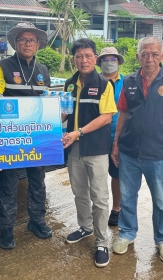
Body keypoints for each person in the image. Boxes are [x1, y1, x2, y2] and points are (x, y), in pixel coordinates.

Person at [111, 37, 163, 263]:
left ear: (162, 56)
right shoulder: (129, 81)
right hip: (129, 152)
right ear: (138, 57)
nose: (150, 59)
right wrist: (116, 142)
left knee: (162, 200)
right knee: (127, 197)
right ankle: (126, 233)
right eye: (145, 54)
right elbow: (123, 113)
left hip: (160, 155)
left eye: (155, 54)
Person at [0, 22, 52, 249]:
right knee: (9, 183)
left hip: (37, 138)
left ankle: (37, 220)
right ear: (15, 43)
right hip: (11, 137)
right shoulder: (1, 67)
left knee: (38, 181)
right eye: (23, 39)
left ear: (37, 45)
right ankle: (5, 228)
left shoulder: (43, 70)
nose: (27, 43)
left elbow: (47, 105)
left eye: (32, 40)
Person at [62, 38, 117, 268]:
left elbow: (106, 116)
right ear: (73, 59)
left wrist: (79, 132)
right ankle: (85, 227)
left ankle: (102, 240)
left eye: (87, 56)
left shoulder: (104, 85)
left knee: (100, 197)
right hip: (73, 148)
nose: (83, 60)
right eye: (78, 56)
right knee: (79, 192)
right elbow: (64, 113)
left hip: (96, 149)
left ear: (95, 58)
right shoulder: (69, 83)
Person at [96, 47, 125, 227]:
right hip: (97, 136)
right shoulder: (94, 81)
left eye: (112, 59)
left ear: (118, 62)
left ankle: (116, 209)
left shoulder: (128, 82)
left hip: (119, 136)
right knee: (97, 177)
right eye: (105, 59)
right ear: (99, 63)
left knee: (117, 175)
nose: (109, 62)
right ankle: (98, 211)